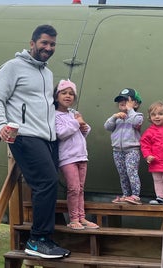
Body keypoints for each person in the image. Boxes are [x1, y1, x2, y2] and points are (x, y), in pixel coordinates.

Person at [0, 24, 70, 259]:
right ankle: (37, 240)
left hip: (47, 137)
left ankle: (45, 236)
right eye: (44, 43)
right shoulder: (13, 67)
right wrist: (1, 125)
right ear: (32, 43)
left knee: (47, 184)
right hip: (24, 135)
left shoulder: (47, 72)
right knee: (46, 181)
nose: (48, 48)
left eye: (52, 44)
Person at [54, 79, 99, 230]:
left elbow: (81, 132)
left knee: (80, 188)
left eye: (71, 94)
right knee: (73, 188)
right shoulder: (55, 116)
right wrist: (76, 123)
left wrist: (84, 127)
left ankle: (82, 217)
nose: (68, 96)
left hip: (81, 156)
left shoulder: (73, 113)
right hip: (67, 158)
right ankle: (73, 219)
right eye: (64, 93)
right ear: (56, 96)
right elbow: (61, 134)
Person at [104, 88, 144, 205]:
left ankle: (135, 195)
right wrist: (114, 117)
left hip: (132, 150)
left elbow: (135, 122)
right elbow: (107, 127)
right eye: (120, 100)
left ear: (135, 103)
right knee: (122, 174)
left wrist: (130, 110)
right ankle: (126, 195)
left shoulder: (137, 116)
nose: (122, 102)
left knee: (131, 172)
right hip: (117, 151)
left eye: (126, 100)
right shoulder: (117, 118)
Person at [140, 101, 163, 205]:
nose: (157, 117)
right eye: (153, 115)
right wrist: (147, 155)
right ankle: (160, 197)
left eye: (160, 114)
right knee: (157, 180)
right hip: (156, 161)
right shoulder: (150, 131)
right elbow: (145, 145)